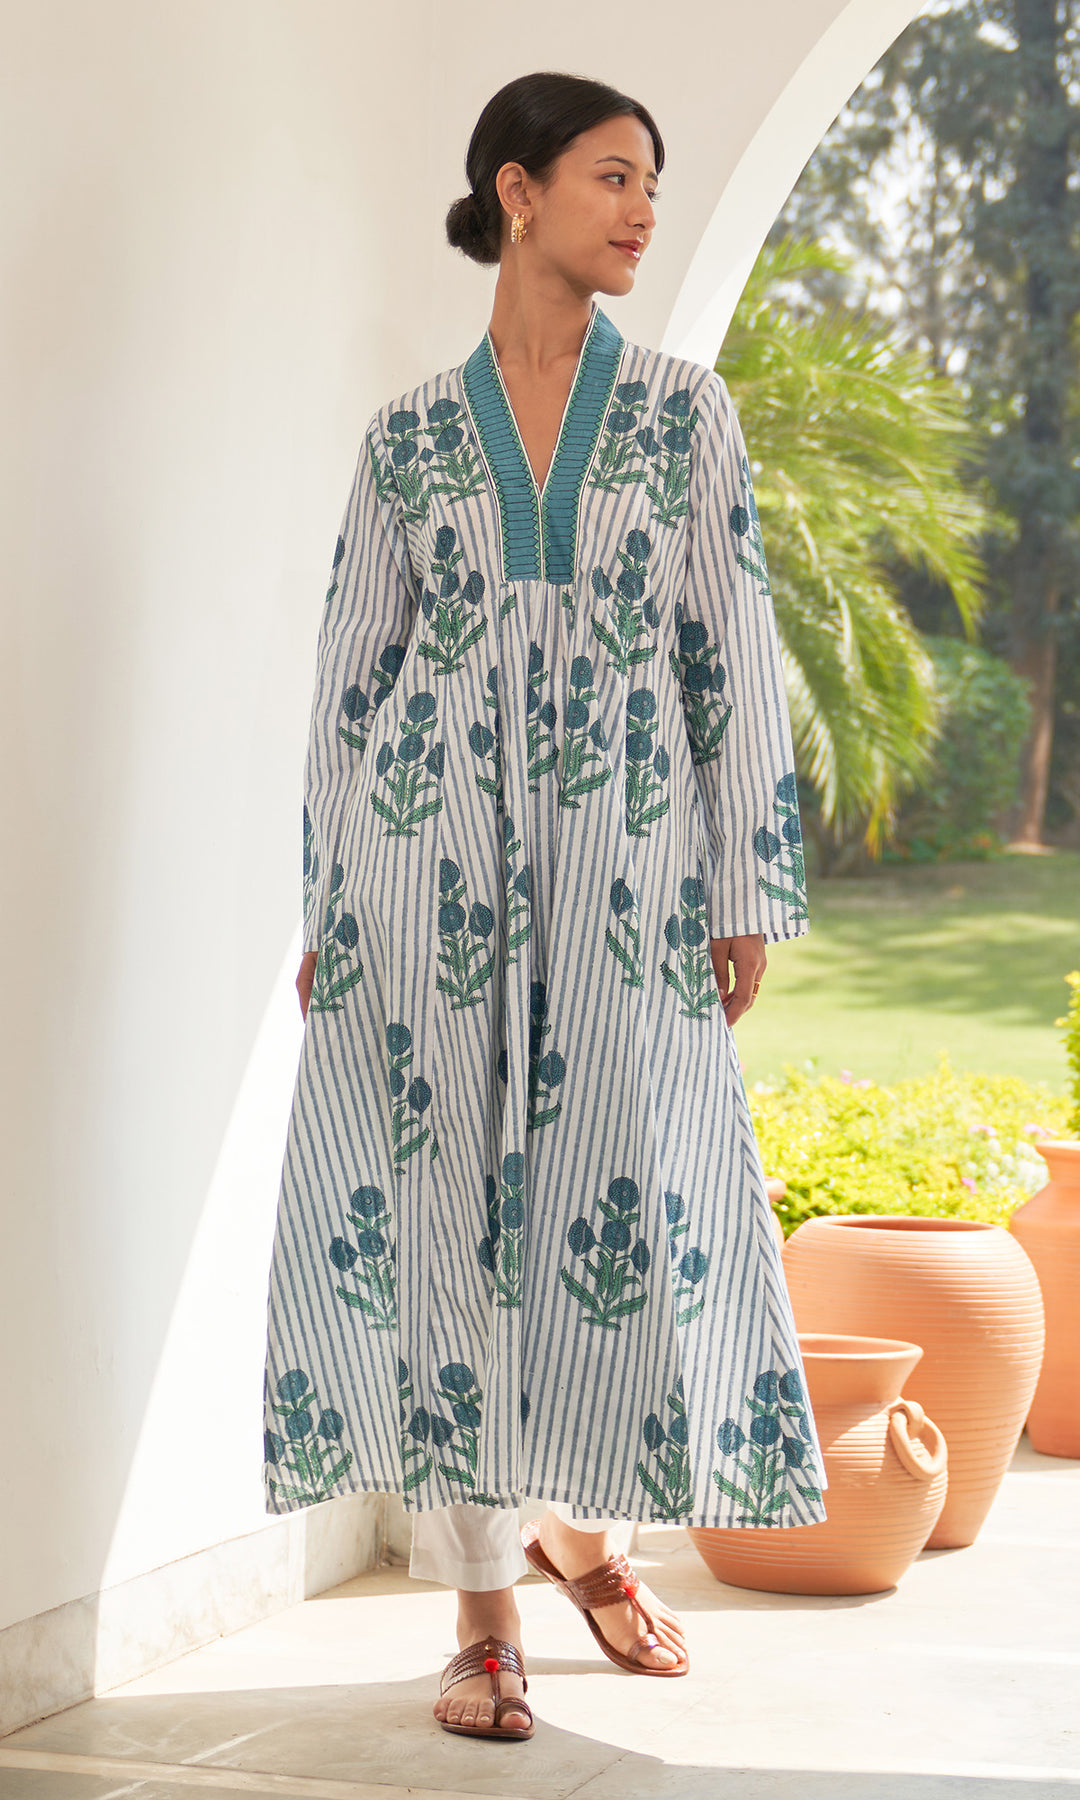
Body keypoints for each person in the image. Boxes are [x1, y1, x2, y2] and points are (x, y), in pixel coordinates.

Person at [261, 69, 828, 1743]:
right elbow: (350, 686)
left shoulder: (683, 418)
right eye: (612, 177)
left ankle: (584, 1533)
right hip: (423, 870)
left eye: (652, 183)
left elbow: (730, 655)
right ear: (518, 193)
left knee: (609, 1202)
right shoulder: (406, 440)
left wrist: (742, 885)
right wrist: (332, 901)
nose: (643, 210)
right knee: (448, 1220)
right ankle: (484, 1612)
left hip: (626, 866)